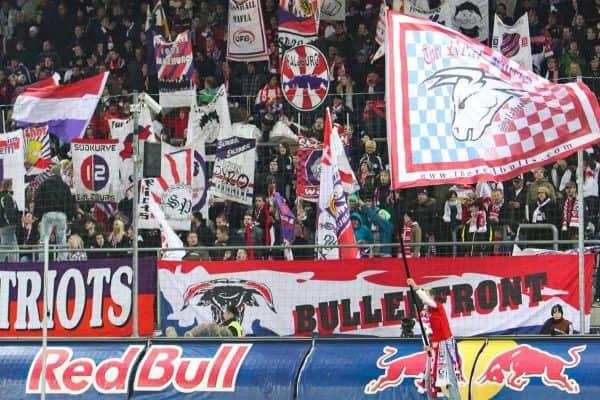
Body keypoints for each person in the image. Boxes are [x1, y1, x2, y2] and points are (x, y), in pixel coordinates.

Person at [407, 278, 463, 400]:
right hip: (433, 347)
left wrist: (416, 287)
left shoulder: (438, 307)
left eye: (425, 294)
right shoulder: (424, 313)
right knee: (428, 378)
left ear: (432, 296)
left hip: (444, 345)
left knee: (449, 379)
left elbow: (426, 300)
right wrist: (426, 344)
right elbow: (425, 331)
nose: (423, 298)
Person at [34, 164, 75, 261]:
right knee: (61, 239)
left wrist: (37, 215)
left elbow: (38, 199)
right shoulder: (65, 186)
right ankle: (62, 261)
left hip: (48, 214)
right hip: (61, 215)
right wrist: (69, 216)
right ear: (59, 173)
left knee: (44, 239)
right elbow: (70, 201)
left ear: (51, 173)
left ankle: (42, 261)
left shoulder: (44, 184)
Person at [0, 179, 20, 262]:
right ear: (9, 186)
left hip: (5, 226)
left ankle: (13, 266)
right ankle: (14, 267)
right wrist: (14, 221)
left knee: (7, 248)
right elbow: (9, 212)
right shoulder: (7, 197)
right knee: (12, 249)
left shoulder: (3, 196)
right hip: (8, 226)